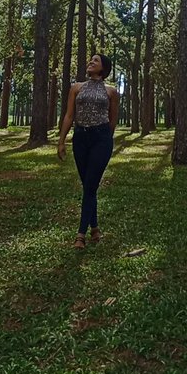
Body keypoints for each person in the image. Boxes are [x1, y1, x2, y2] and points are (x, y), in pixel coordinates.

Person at [57, 53, 119, 249]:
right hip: (80, 138)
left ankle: (80, 235)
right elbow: (68, 116)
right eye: (90, 59)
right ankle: (95, 228)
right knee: (88, 186)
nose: (90, 62)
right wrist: (61, 141)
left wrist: (106, 140)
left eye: (96, 61)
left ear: (104, 68)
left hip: (101, 139)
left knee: (90, 184)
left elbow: (113, 119)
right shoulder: (76, 88)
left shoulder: (111, 92)